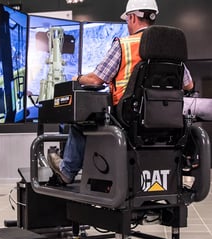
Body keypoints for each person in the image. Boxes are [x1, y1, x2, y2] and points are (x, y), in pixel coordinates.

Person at [47, 0, 194, 184]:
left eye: (127, 20)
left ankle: (67, 171)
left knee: (79, 123)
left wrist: (78, 78)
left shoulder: (124, 45)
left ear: (132, 17)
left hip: (128, 118)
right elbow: (188, 86)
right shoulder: (169, 50)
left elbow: (95, 80)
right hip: (167, 119)